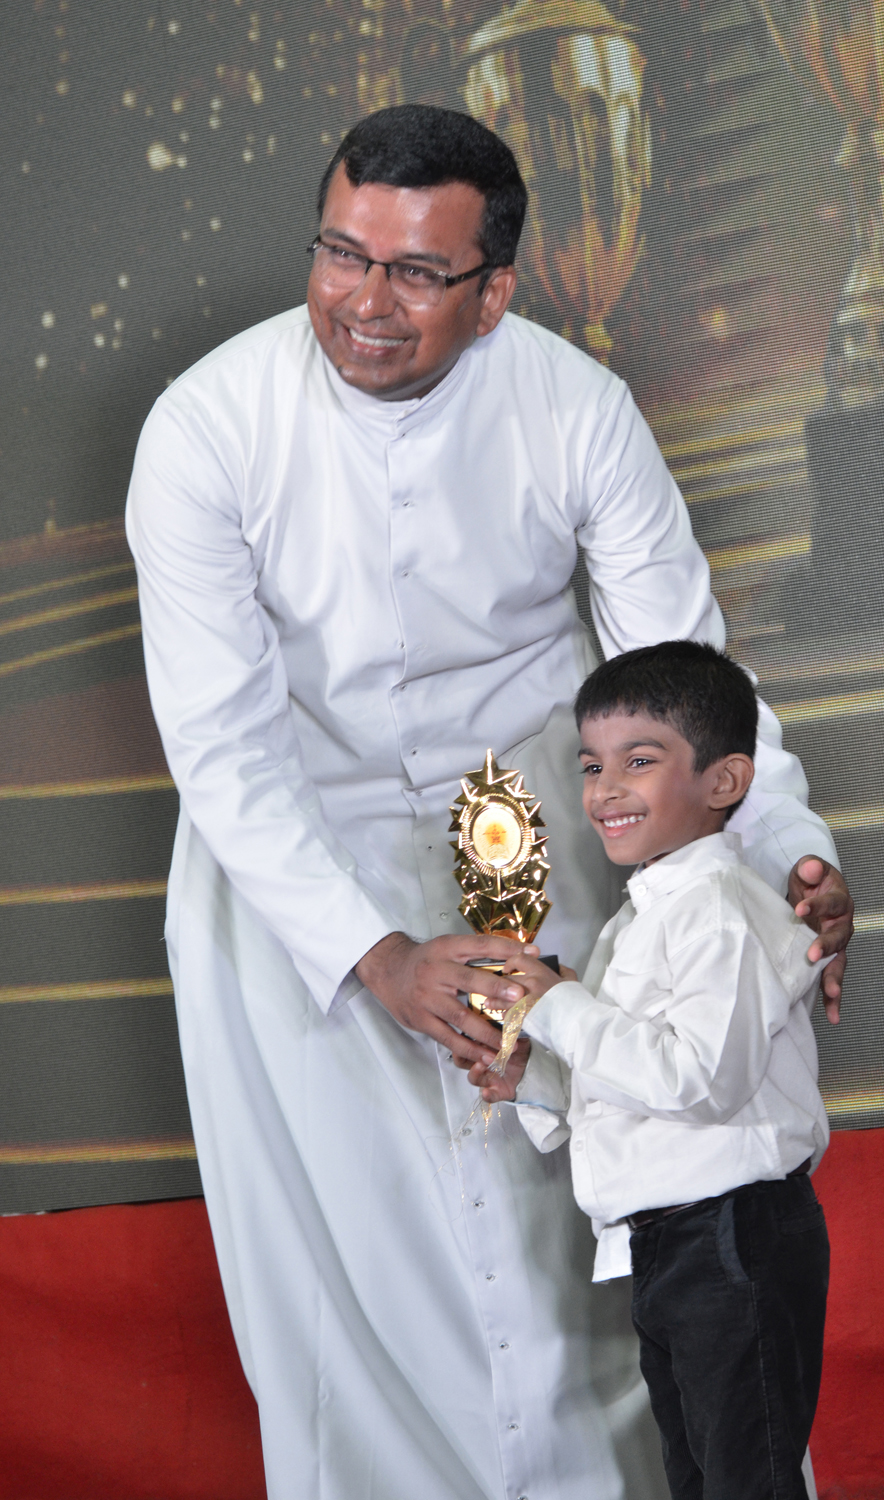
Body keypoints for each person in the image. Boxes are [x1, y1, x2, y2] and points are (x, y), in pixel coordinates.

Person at [125, 105, 851, 1500]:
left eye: (415, 272)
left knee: (607, 1202)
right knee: (348, 1275)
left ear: (496, 289)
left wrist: (785, 853)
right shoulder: (207, 426)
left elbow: (687, 670)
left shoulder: (576, 406)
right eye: (342, 253)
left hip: (538, 815)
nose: (363, 302)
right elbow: (222, 748)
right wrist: (374, 955)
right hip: (289, 851)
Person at [472, 641, 830, 1500]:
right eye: (592, 766)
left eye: (639, 761)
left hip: (735, 1231)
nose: (605, 790)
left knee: (748, 1480)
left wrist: (559, 1003)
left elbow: (701, 1079)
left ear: (725, 780)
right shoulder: (639, 919)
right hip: (671, 1241)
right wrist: (532, 1080)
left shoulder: (717, 910)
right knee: (699, 1477)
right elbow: (627, 1087)